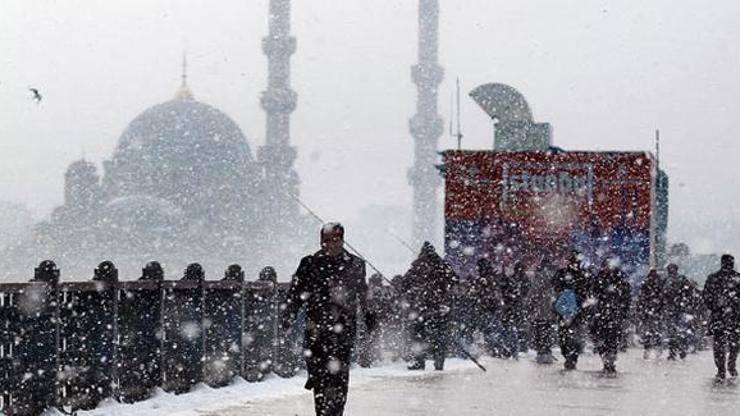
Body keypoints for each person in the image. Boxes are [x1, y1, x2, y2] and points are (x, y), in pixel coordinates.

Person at [281, 223, 375, 416]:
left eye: (334, 240)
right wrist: (288, 316)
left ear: (342, 241)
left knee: (339, 378)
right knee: (320, 377)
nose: (330, 245)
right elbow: (296, 294)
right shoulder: (309, 263)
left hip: (344, 330)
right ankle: (323, 407)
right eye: (325, 241)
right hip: (316, 331)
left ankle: (334, 411)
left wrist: (369, 316)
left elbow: (363, 293)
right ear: (320, 242)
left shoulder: (355, 264)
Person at [399, 241, 457, 371]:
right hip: (439, 307)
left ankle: (419, 361)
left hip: (421, 308)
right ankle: (439, 361)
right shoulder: (442, 266)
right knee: (439, 336)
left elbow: (403, 284)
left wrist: (412, 291)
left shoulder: (417, 266)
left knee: (418, 335)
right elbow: (455, 279)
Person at [702, 254, 740, 382]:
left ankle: (721, 369)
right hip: (734, 317)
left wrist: (715, 305)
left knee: (719, 345)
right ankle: (730, 364)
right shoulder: (737, 278)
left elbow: (706, 297)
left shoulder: (713, 278)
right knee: (734, 343)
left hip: (719, 317)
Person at [591, 258, 632, 375]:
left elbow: (626, 296)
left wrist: (623, 311)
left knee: (612, 339)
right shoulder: (600, 278)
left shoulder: (620, 279)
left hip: (614, 314)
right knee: (601, 339)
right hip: (602, 314)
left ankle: (610, 362)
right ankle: (606, 360)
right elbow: (593, 294)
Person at [551, 252, 590, 371]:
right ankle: (571, 357)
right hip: (572, 312)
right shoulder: (581, 275)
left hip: (568, 312)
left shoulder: (566, 274)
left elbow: (555, 288)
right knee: (570, 337)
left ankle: (570, 357)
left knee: (567, 336)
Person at [663, 264, 694, 360]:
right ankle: (681, 350)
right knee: (680, 331)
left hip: (672, 309)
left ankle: (674, 352)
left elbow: (661, 294)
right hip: (679, 309)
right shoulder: (682, 279)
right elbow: (689, 292)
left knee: (673, 332)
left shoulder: (666, 280)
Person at [529, 257, 557, 364]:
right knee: (548, 333)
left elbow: (533, 294)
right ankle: (548, 353)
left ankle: (541, 354)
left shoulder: (539, 277)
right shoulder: (554, 277)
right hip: (551, 311)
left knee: (539, 333)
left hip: (540, 311)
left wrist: (529, 305)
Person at [636, 269, 665, 359]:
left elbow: (641, 298)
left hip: (651, 311)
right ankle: (653, 349)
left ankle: (651, 349)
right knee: (653, 332)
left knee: (651, 332)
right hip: (652, 312)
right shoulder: (658, 284)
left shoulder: (648, 284)